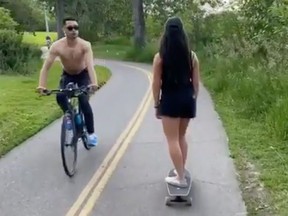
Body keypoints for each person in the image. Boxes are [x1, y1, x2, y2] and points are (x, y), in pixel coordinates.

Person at [152, 16, 200, 187]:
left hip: (170, 99)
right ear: (182, 33)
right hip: (187, 98)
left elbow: (156, 83)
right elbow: (196, 84)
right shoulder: (192, 56)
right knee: (181, 136)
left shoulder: (160, 57)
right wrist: (193, 98)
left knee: (172, 139)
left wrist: (157, 104)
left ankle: (180, 178)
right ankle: (181, 170)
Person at [36, 17, 99, 147]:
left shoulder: (85, 45)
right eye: (70, 28)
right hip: (68, 75)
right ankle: (69, 115)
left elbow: (90, 65)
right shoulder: (57, 46)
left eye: (76, 28)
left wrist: (93, 83)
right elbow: (46, 67)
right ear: (64, 29)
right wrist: (42, 85)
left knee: (83, 100)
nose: (74, 31)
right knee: (60, 96)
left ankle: (91, 134)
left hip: (83, 74)